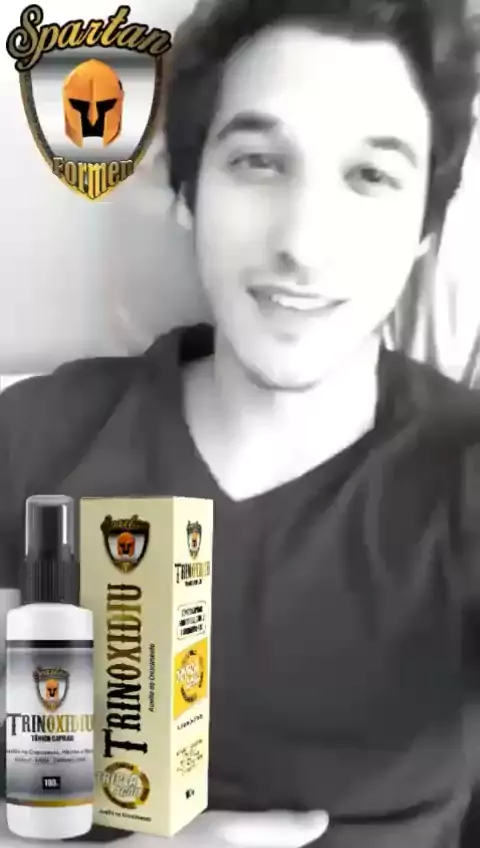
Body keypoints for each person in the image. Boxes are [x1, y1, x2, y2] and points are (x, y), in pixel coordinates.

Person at [0, 1, 479, 846]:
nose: (304, 244)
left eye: (371, 176)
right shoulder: (31, 440)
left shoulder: (463, 476)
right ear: (187, 192)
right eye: (258, 162)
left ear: (424, 230)